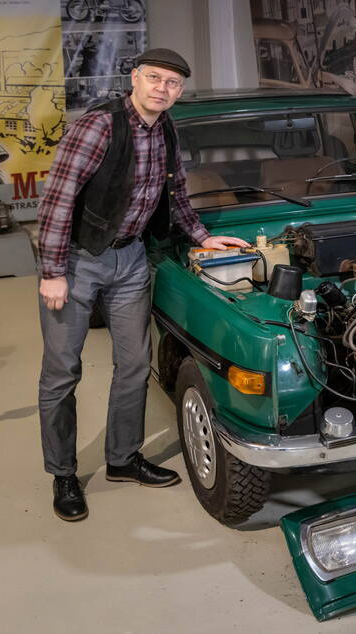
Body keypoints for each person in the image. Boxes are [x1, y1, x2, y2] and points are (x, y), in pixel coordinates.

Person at [36, 48, 248, 522]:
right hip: (78, 260)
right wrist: (52, 271)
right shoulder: (99, 126)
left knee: (134, 364)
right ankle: (63, 473)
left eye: (172, 83)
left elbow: (175, 195)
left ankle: (122, 458)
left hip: (131, 257)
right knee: (62, 372)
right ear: (135, 77)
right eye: (154, 78)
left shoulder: (166, 129)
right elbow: (57, 200)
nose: (162, 88)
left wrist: (204, 237)